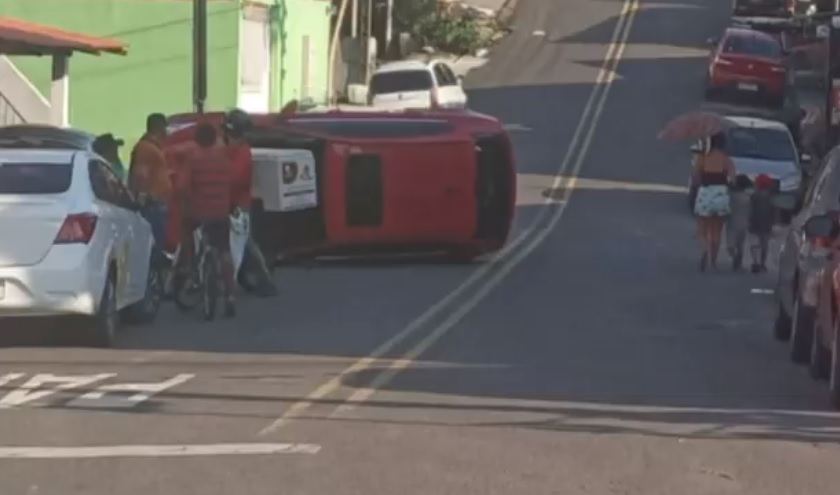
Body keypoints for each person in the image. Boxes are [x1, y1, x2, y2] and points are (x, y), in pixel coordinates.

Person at [178, 123, 237, 317]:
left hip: (199, 213)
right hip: (221, 212)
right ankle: (230, 295)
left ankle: (192, 270)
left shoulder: (193, 160)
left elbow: (182, 188)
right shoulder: (225, 161)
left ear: (197, 140)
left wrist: (186, 205)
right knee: (224, 251)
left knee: (186, 232)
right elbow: (234, 185)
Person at [221, 109, 277, 297]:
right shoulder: (230, 149)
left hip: (238, 205)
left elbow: (235, 179)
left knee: (246, 243)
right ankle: (243, 276)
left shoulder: (242, 153)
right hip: (227, 202)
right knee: (235, 242)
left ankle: (264, 279)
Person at [128, 113, 172, 249]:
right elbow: (141, 175)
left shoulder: (152, 147)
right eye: (165, 128)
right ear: (159, 128)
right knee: (155, 245)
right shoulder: (146, 148)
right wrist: (145, 197)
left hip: (156, 204)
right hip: (152, 206)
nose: (167, 132)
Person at [693, 132, 735, 271]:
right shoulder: (727, 160)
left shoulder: (703, 157)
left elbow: (696, 175)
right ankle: (713, 262)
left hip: (706, 192)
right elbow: (732, 179)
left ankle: (704, 248)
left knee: (702, 228)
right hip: (721, 193)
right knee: (716, 230)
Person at [748, 174, 777, 274]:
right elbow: (774, 212)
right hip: (766, 223)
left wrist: (748, 220)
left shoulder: (754, 197)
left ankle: (755, 261)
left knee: (755, 243)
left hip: (754, 222)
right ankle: (762, 263)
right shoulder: (771, 198)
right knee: (764, 244)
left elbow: (750, 209)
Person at [726, 174, 753, 272]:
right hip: (744, 223)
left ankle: (734, 256)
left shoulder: (730, 196)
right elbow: (751, 211)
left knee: (730, 245)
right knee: (740, 244)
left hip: (732, 223)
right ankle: (739, 263)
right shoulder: (748, 198)